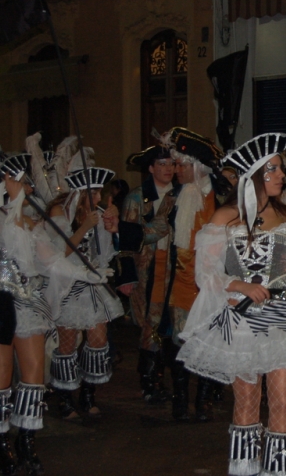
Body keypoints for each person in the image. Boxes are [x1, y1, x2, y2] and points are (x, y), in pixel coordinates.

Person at [176, 133, 286, 476]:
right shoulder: (226, 216)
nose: (283, 175)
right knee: (247, 401)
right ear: (256, 174)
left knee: (282, 399)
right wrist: (237, 284)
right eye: (276, 169)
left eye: (282, 169)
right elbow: (204, 273)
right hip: (242, 320)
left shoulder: (285, 216)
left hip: (284, 317)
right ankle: (244, 469)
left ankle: (279, 472)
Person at [0, 159, 109, 476]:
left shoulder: (27, 221)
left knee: (35, 375)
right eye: (21, 183)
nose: (28, 188)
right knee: (1, 374)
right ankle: (0, 443)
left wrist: (89, 274)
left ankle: (26, 439)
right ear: (3, 186)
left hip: (26, 302)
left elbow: (49, 262)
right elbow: (16, 249)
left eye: (25, 184)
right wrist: (16, 203)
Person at [45, 164, 123, 419]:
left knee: (98, 340)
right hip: (67, 283)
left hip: (91, 284)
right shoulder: (59, 212)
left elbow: (105, 254)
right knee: (67, 346)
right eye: (95, 193)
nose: (99, 199)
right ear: (81, 193)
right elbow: (59, 254)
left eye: (101, 194)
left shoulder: (97, 214)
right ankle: (64, 397)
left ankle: (88, 394)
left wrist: (111, 228)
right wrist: (84, 227)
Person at [161, 127, 224, 421]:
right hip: (184, 285)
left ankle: (204, 400)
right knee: (180, 345)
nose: (176, 170)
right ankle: (180, 400)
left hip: (210, 285)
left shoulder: (218, 199)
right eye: (175, 165)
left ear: (196, 168)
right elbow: (174, 242)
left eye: (182, 165)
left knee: (209, 345)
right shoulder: (181, 196)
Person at [116, 146, 178, 403]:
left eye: (170, 164)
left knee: (171, 322)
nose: (167, 169)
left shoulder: (183, 194)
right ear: (151, 168)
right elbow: (126, 241)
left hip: (176, 268)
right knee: (149, 323)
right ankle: (150, 381)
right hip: (147, 268)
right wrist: (126, 277)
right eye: (161, 164)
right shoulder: (136, 198)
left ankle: (167, 378)